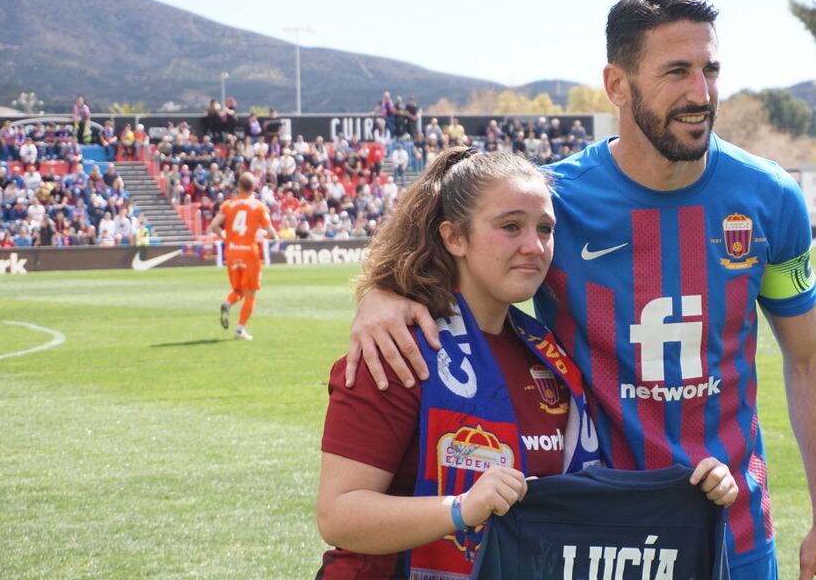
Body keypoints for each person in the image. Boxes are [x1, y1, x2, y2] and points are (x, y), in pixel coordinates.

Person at [345, 0, 816, 580]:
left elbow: (811, 359)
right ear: (617, 85)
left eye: (711, 69)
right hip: (595, 544)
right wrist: (380, 293)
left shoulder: (770, 198)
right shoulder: (554, 204)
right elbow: (453, 260)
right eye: (677, 72)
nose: (701, 93)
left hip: (731, 533)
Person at [315, 147, 736, 578]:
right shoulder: (398, 347)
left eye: (545, 229)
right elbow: (339, 516)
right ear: (454, 237)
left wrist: (692, 489)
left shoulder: (549, 356)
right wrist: (461, 509)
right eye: (510, 226)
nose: (534, 246)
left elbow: (579, 504)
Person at [207, 172, 279, 340]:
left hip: (232, 252)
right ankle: (240, 329)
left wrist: (225, 237)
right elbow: (271, 232)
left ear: (238, 187)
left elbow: (214, 225)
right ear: (253, 188)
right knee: (250, 293)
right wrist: (264, 235)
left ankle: (228, 303)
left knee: (238, 290)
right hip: (249, 253)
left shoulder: (228, 204)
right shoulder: (259, 206)